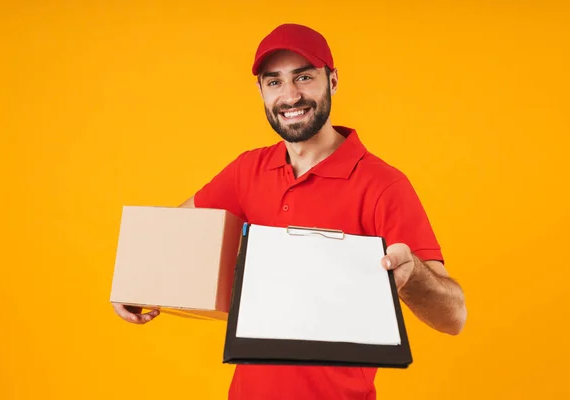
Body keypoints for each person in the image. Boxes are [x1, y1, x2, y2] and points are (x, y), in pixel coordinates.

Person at [112, 23, 467, 400]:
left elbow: (454, 318)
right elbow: (175, 235)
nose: (290, 96)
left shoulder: (383, 185)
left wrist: (412, 275)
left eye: (304, 77)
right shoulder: (248, 170)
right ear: (261, 91)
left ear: (332, 81)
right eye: (274, 82)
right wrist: (134, 282)